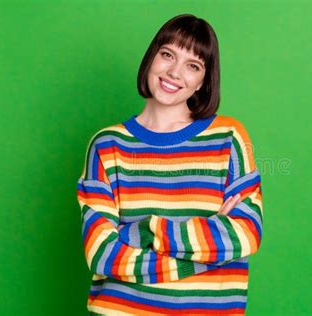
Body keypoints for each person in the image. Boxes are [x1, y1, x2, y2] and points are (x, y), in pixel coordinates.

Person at [76, 13, 263, 315]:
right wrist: (208, 241)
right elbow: (102, 254)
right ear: (152, 59)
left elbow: (245, 233)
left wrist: (142, 232)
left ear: (204, 81)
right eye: (167, 55)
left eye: (193, 65)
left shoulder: (228, 139)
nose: (175, 72)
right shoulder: (107, 146)